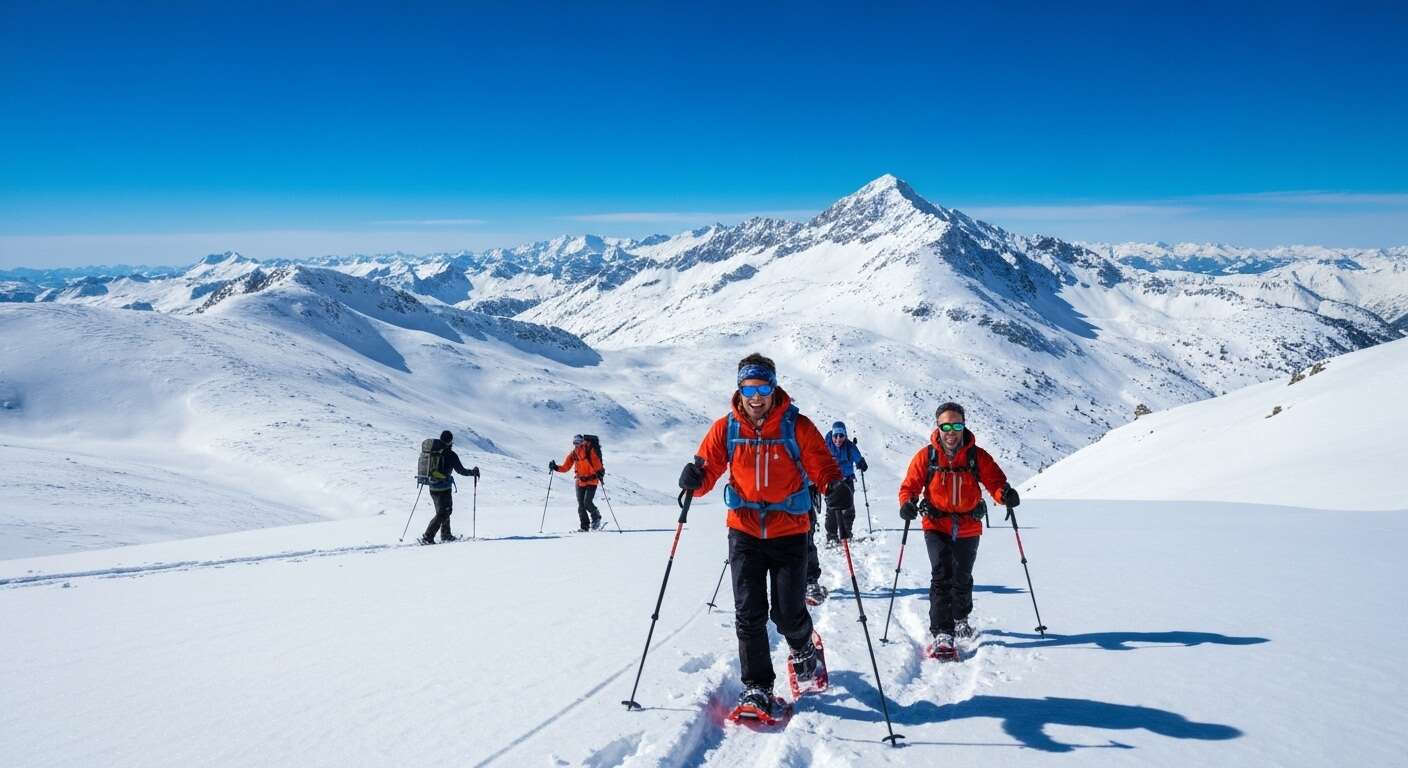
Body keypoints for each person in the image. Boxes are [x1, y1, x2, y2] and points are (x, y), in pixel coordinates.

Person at [677, 353, 849, 718]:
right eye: (749, 388)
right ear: (739, 389)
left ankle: (803, 647)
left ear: (774, 388)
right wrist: (695, 478)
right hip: (744, 532)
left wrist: (833, 485)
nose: (756, 397)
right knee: (749, 613)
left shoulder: (796, 426)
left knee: (787, 613)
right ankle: (757, 687)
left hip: (790, 531)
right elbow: (707, 469)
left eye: (763, 387)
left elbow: (822, 464)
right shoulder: (726, 428)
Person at [896, 402, 1018, 659]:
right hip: (935, 523)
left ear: (964, 425)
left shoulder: (977, 456)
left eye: (957, 425)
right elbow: (910, 486)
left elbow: (995, 481)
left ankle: (960, 617)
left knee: (962, 575)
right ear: (938, 427)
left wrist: (1004, 495)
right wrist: (907, 504)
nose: (951, 431)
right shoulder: (926, 457)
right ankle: (942, 631)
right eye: (946, 426)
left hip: (968, 524)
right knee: (942, 573)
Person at [420, 430, 480, 544]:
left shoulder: (434, 452)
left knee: (443, 510)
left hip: (432, 487)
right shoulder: (451, 455)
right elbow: (461, 471)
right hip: (444, 488)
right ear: (451, 441)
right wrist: (473, 472)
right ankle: (428, 537)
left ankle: (446, 534)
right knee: (444, 512)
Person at [822, 421, 868, 546]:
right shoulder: (825, 445)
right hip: (831, 482)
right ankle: (831, 536)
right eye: (835, 435)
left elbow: (857, 456)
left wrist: (861, 462)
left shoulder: (849, 446)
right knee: (832, 510)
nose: (838, 439)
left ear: (845, 435)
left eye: (841, 436)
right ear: (832, 435)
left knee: (848, 508)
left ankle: (846, 533)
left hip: (847, 480)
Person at [550, 434, 605, 531]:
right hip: (580, 481)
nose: (576, 444)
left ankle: (596, 517)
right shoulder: (574, 454)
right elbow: (565, 467)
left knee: (587, 502)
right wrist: (556, 467)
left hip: (592, 480)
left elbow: (597, 463)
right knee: (581, 505)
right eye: (574, 442)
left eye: (578, 442)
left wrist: (600, 473)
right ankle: (584, 527)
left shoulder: (590, 450)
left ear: (582, 441)